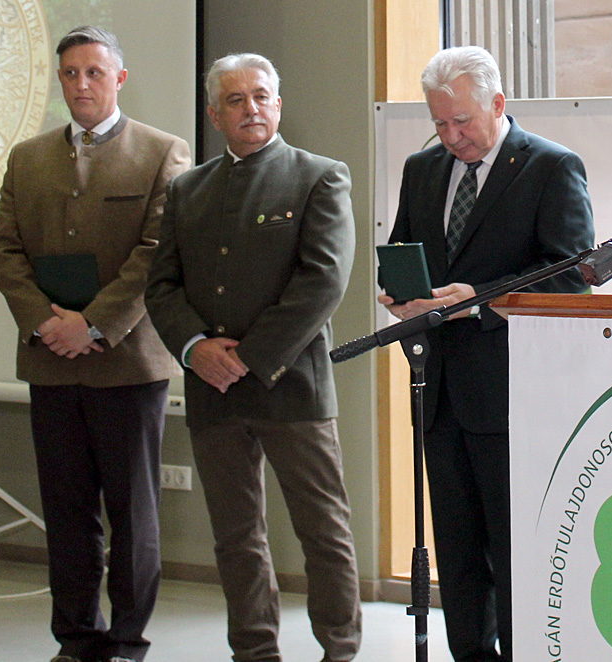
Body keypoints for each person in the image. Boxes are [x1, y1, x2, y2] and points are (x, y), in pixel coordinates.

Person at [380, 46, 594, 661]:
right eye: (439, 123)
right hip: (438, 390)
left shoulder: (551, 167)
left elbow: (571, 276)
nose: (452, 137)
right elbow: (403, 247)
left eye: (462, 121)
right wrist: (399, 293)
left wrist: (479, 300)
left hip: (512, 393)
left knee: (514, 548)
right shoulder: (422, 168)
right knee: (457, 554)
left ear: (498, 104)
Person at [144, 53, 360, 662]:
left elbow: (323, 282)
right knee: (236, 537)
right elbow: (161, 286)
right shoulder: (186, 189)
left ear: (279, 104)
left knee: (323, 531)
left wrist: (248, 358)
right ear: (215, 114)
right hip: (212, 388)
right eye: (235, 100)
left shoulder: (319, 176)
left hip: (292, 386)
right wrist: (196, 349)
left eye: (262, 96)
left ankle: (340, 650)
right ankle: (254, 650)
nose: (251, 109)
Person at [0, 26, 190, 662]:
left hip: (126, 364)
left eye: (94, 73)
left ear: (119, 78)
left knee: (133, 515)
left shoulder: (162, 151)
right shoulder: (26, 157)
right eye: (70, 73)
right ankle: (76, 639)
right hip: (49, 362)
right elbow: (5, 248)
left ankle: (127, 641)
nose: (81, 85)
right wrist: (45, 322)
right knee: (66, 512)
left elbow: (157, 252)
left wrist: (94, 324)